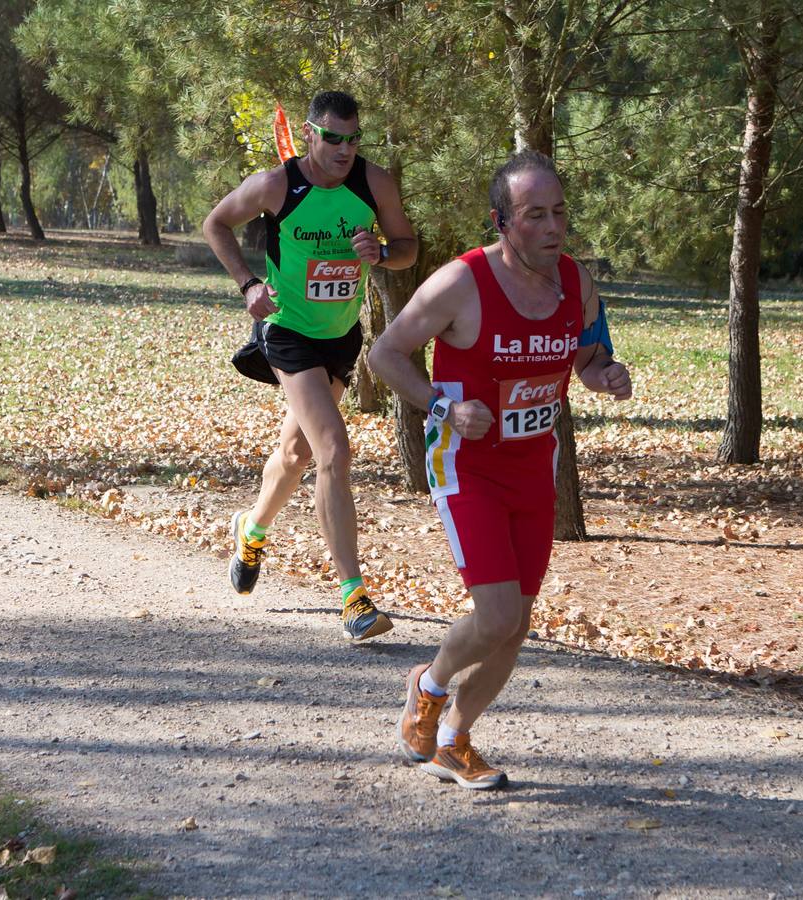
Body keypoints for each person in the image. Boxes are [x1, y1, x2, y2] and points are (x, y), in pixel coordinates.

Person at [369, 150, 633, 789]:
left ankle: (456, 737)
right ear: (503, 223)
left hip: (532, 468)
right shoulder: (460, 284)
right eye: (535, 215)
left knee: (517, 626)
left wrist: (606, 376)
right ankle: (427, 688)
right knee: (493, 617)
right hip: (467, 467)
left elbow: (589, 356)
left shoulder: (576, 282)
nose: (553, 227)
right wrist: (444, 404)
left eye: (560, 212)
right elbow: (385, 354)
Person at [201, 90, 419, 642]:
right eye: (334, 138)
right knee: (334, 450)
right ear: (310, 135)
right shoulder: (278, 185)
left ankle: (251, 529)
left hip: (340, 336)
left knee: (298, 452)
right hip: (288, 331)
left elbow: (408, 247)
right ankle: (353, 597)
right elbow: (216, 224)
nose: (345, 149)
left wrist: (383, 254)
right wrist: (248, 284)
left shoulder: (375, 184)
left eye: (353, 138)